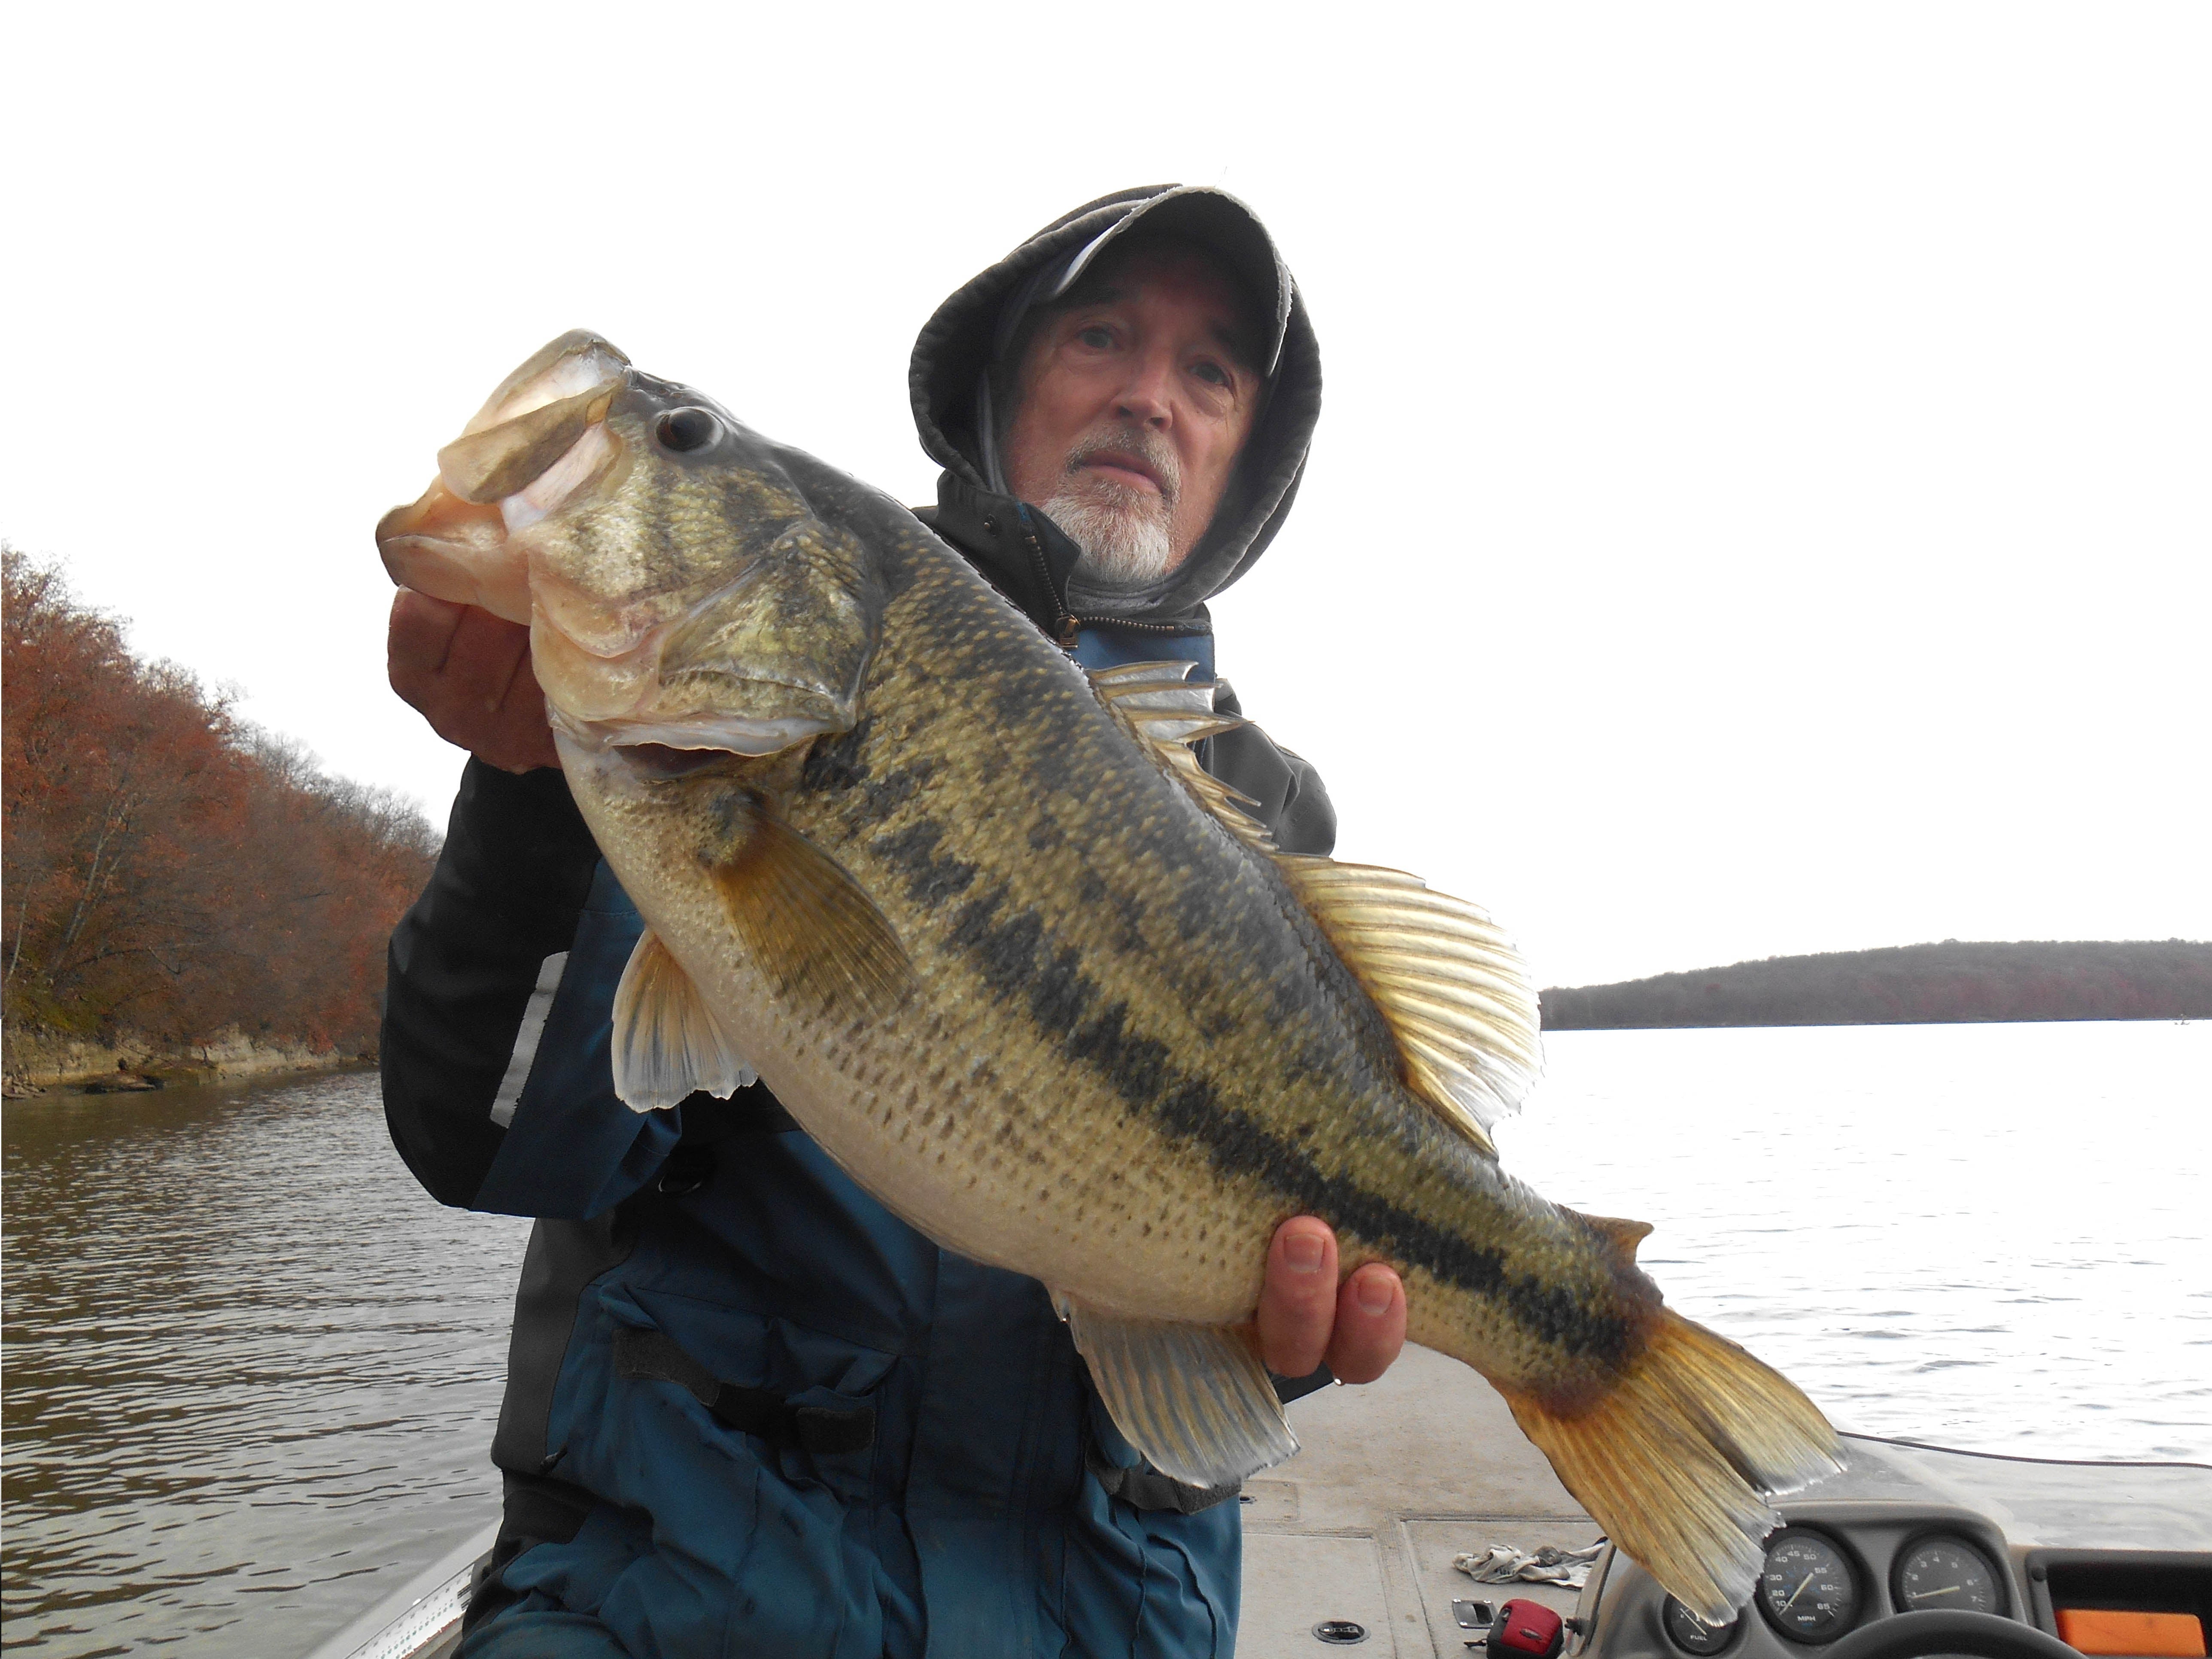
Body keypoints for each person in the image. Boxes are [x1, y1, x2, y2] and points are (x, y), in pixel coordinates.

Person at [382, 185, 1405, 1658]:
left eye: (1211, 372)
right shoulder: (769, 681)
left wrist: (1289, 1339)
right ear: (995, 391)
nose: (1147, 397)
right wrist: (540, 796)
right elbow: (490, 1143)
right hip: (681, 1600)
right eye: (1101, 336)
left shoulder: (1268, 819)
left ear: (1247, 459)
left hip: (1105, 1613)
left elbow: (1234, 1295)